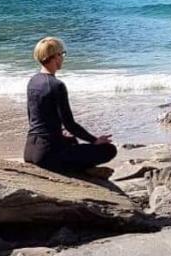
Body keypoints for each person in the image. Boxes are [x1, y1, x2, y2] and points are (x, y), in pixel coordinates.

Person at [24, 37, 117, 174]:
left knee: (71, 140)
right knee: (109, 150)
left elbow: (33, 118)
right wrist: (95, 140)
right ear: (55, 56)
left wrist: (60, 133)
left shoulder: (33, 81)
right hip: (48, 156)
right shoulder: (57, 85)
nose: (63, 58)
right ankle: (82, 171)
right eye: (62, 54)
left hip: (30, 151)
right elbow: (70, 124)